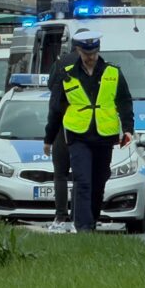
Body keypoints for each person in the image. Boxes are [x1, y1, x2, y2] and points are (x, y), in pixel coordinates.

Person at [44, 31, 134, 233]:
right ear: (78, 50)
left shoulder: (113, 73)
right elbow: (56, 109)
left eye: (93, 52)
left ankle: (91, 220)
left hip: (105, 136)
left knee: (99, 181)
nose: (90, 57)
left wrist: (128, 129)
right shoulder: (66, 74)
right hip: (78, 136)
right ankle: (84, 228)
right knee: (82, 180)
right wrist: (49, 139)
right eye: (86, 53)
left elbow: (125, 102)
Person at [43, 28, 89, 234]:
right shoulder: (103, 65)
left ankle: (61, 217)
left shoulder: (61, 64)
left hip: (64, 127)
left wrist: (49, 137)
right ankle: (83, 219)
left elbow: (53, 97)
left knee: (60, 173)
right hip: (91, 129)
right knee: (82, 175)